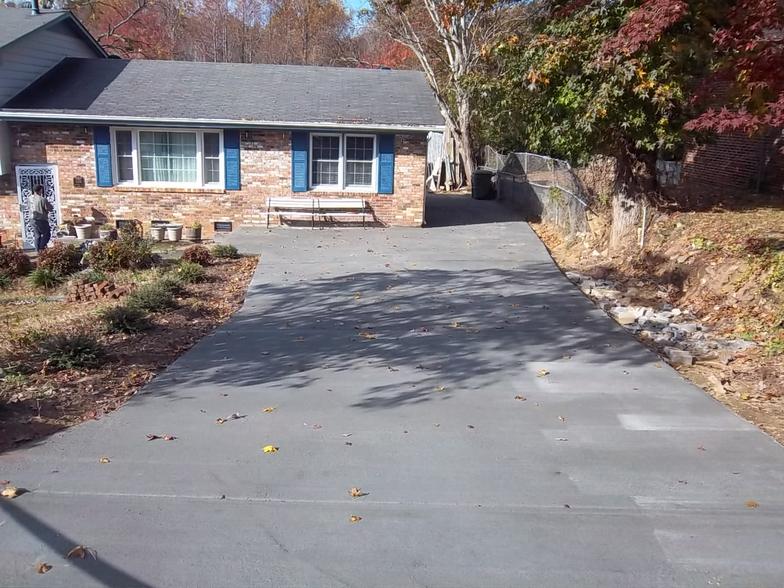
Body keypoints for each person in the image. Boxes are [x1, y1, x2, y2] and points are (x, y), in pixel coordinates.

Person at [29, 185, 53, 253]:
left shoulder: (29, 198)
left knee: (37, 235)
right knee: (47, 234)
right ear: (40, 190)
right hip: (41, 220)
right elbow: (49, 208)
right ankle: (41, 248)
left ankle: (37, 251)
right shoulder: (42, 199)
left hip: (32, 220)